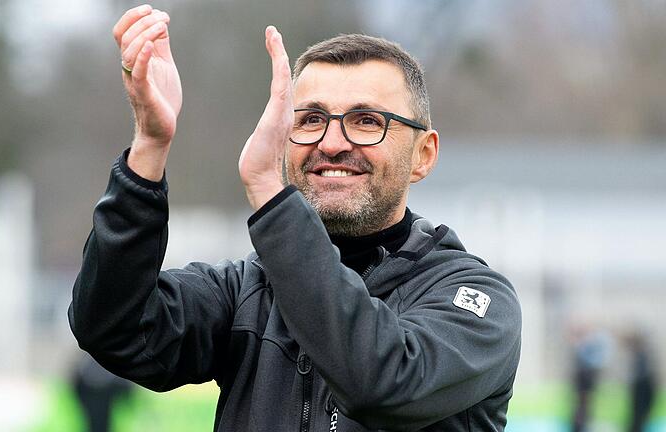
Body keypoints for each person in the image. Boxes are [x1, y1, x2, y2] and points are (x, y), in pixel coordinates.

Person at [69, 4, 522, 431]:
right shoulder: (247, 291)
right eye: (310, 119)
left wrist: (269, 190)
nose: (331, 143)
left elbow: (382, 381)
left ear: (423, 155)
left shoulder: (476, 300)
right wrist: (150, 144)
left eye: (366, 120)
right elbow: (114, 328)